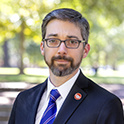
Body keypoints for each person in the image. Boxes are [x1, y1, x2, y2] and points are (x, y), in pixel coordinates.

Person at [8, 8, 124, 124]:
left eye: (72, 42)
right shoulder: (23, 100)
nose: (61, 50)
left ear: (85, 50)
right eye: (53, 40)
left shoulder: (106, 105)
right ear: (43, 47)